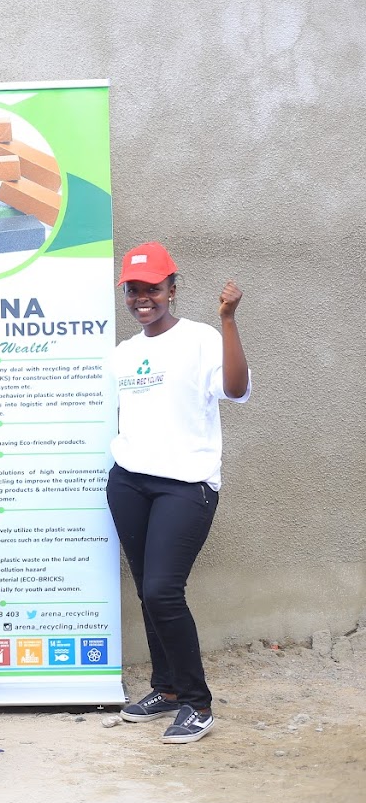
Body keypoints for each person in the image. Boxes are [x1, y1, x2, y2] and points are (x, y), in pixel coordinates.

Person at [108, 242, 250, 744]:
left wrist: (229, 321)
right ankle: (165, 688)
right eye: (134, 289)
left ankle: (197, 703)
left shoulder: (202, 338)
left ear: (172, 287)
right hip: (129, 481)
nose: (143, 297)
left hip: (186, 485)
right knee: (149, 590)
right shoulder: (125, 353)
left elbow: (233, 390)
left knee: (164, 590)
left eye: (152, 287)